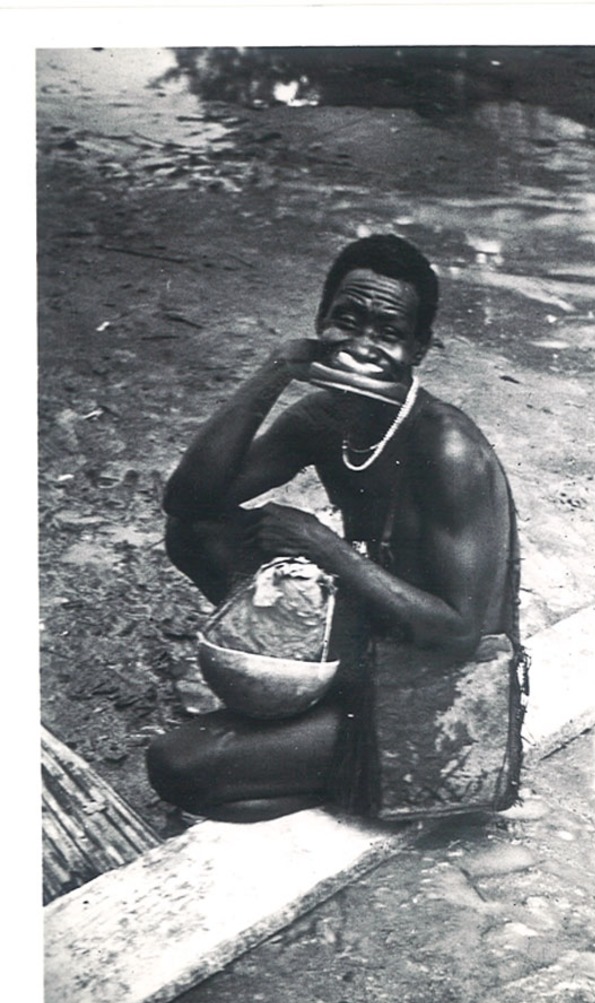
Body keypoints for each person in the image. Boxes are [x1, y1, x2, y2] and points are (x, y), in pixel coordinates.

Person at [147, 234, 522, 822]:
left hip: (438, 681)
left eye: (390, 334)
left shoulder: (447, 447)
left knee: (180, 765)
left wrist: (322, 546)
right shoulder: (323, 416)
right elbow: (189, 502)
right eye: (346, 321)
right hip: (370, 633)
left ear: (419, 349)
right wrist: (276, 370)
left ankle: (379, 778)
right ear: (321, 322)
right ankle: (315, 726)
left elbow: (459, 634)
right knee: (199, 533)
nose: (363, 346)